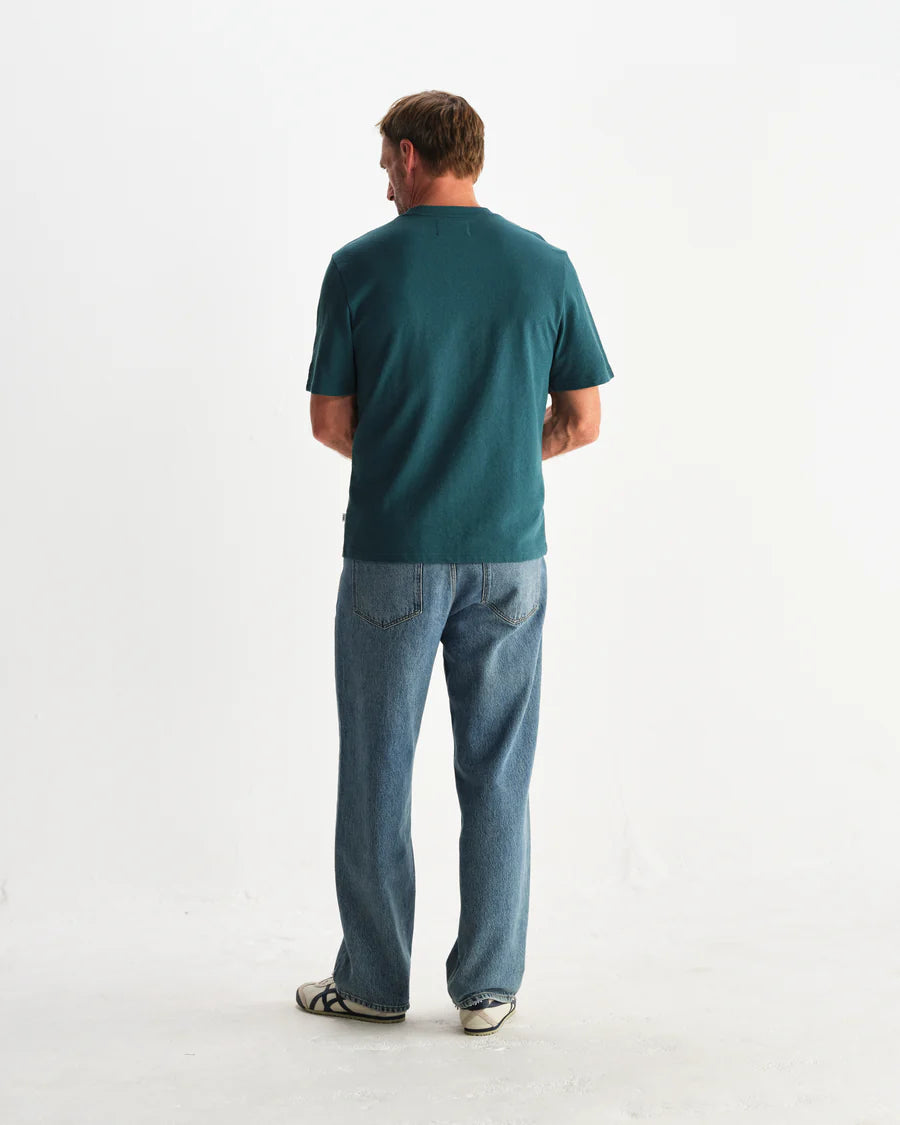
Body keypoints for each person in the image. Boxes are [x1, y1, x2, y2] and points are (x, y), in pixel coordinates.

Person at [295, 90, 615, 1036]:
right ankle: (488, 986)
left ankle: (372, 980)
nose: (383, 184)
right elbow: (583, 419)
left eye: (384, 165)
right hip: (510, 559)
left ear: (407, 156)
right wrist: (498, 458)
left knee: (376, 769)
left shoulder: (359, 266)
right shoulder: (544, 267)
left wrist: (413, 461)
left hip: (392, 556)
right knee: (500, 770)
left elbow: (329, 422)